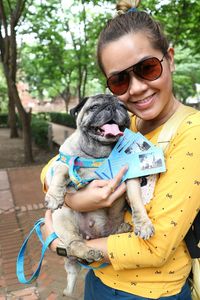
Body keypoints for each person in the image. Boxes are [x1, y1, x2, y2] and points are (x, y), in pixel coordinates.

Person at [41, 0, 200, 299]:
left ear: (170, 58)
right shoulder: (123, 125)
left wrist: (62, 245)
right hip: (99, 278)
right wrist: (76, 199)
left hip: (151, 291)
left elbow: (157, 247)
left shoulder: (193, 134)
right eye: (119, 79)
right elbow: (54, 166)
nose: (137, 87)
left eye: (147, 68)